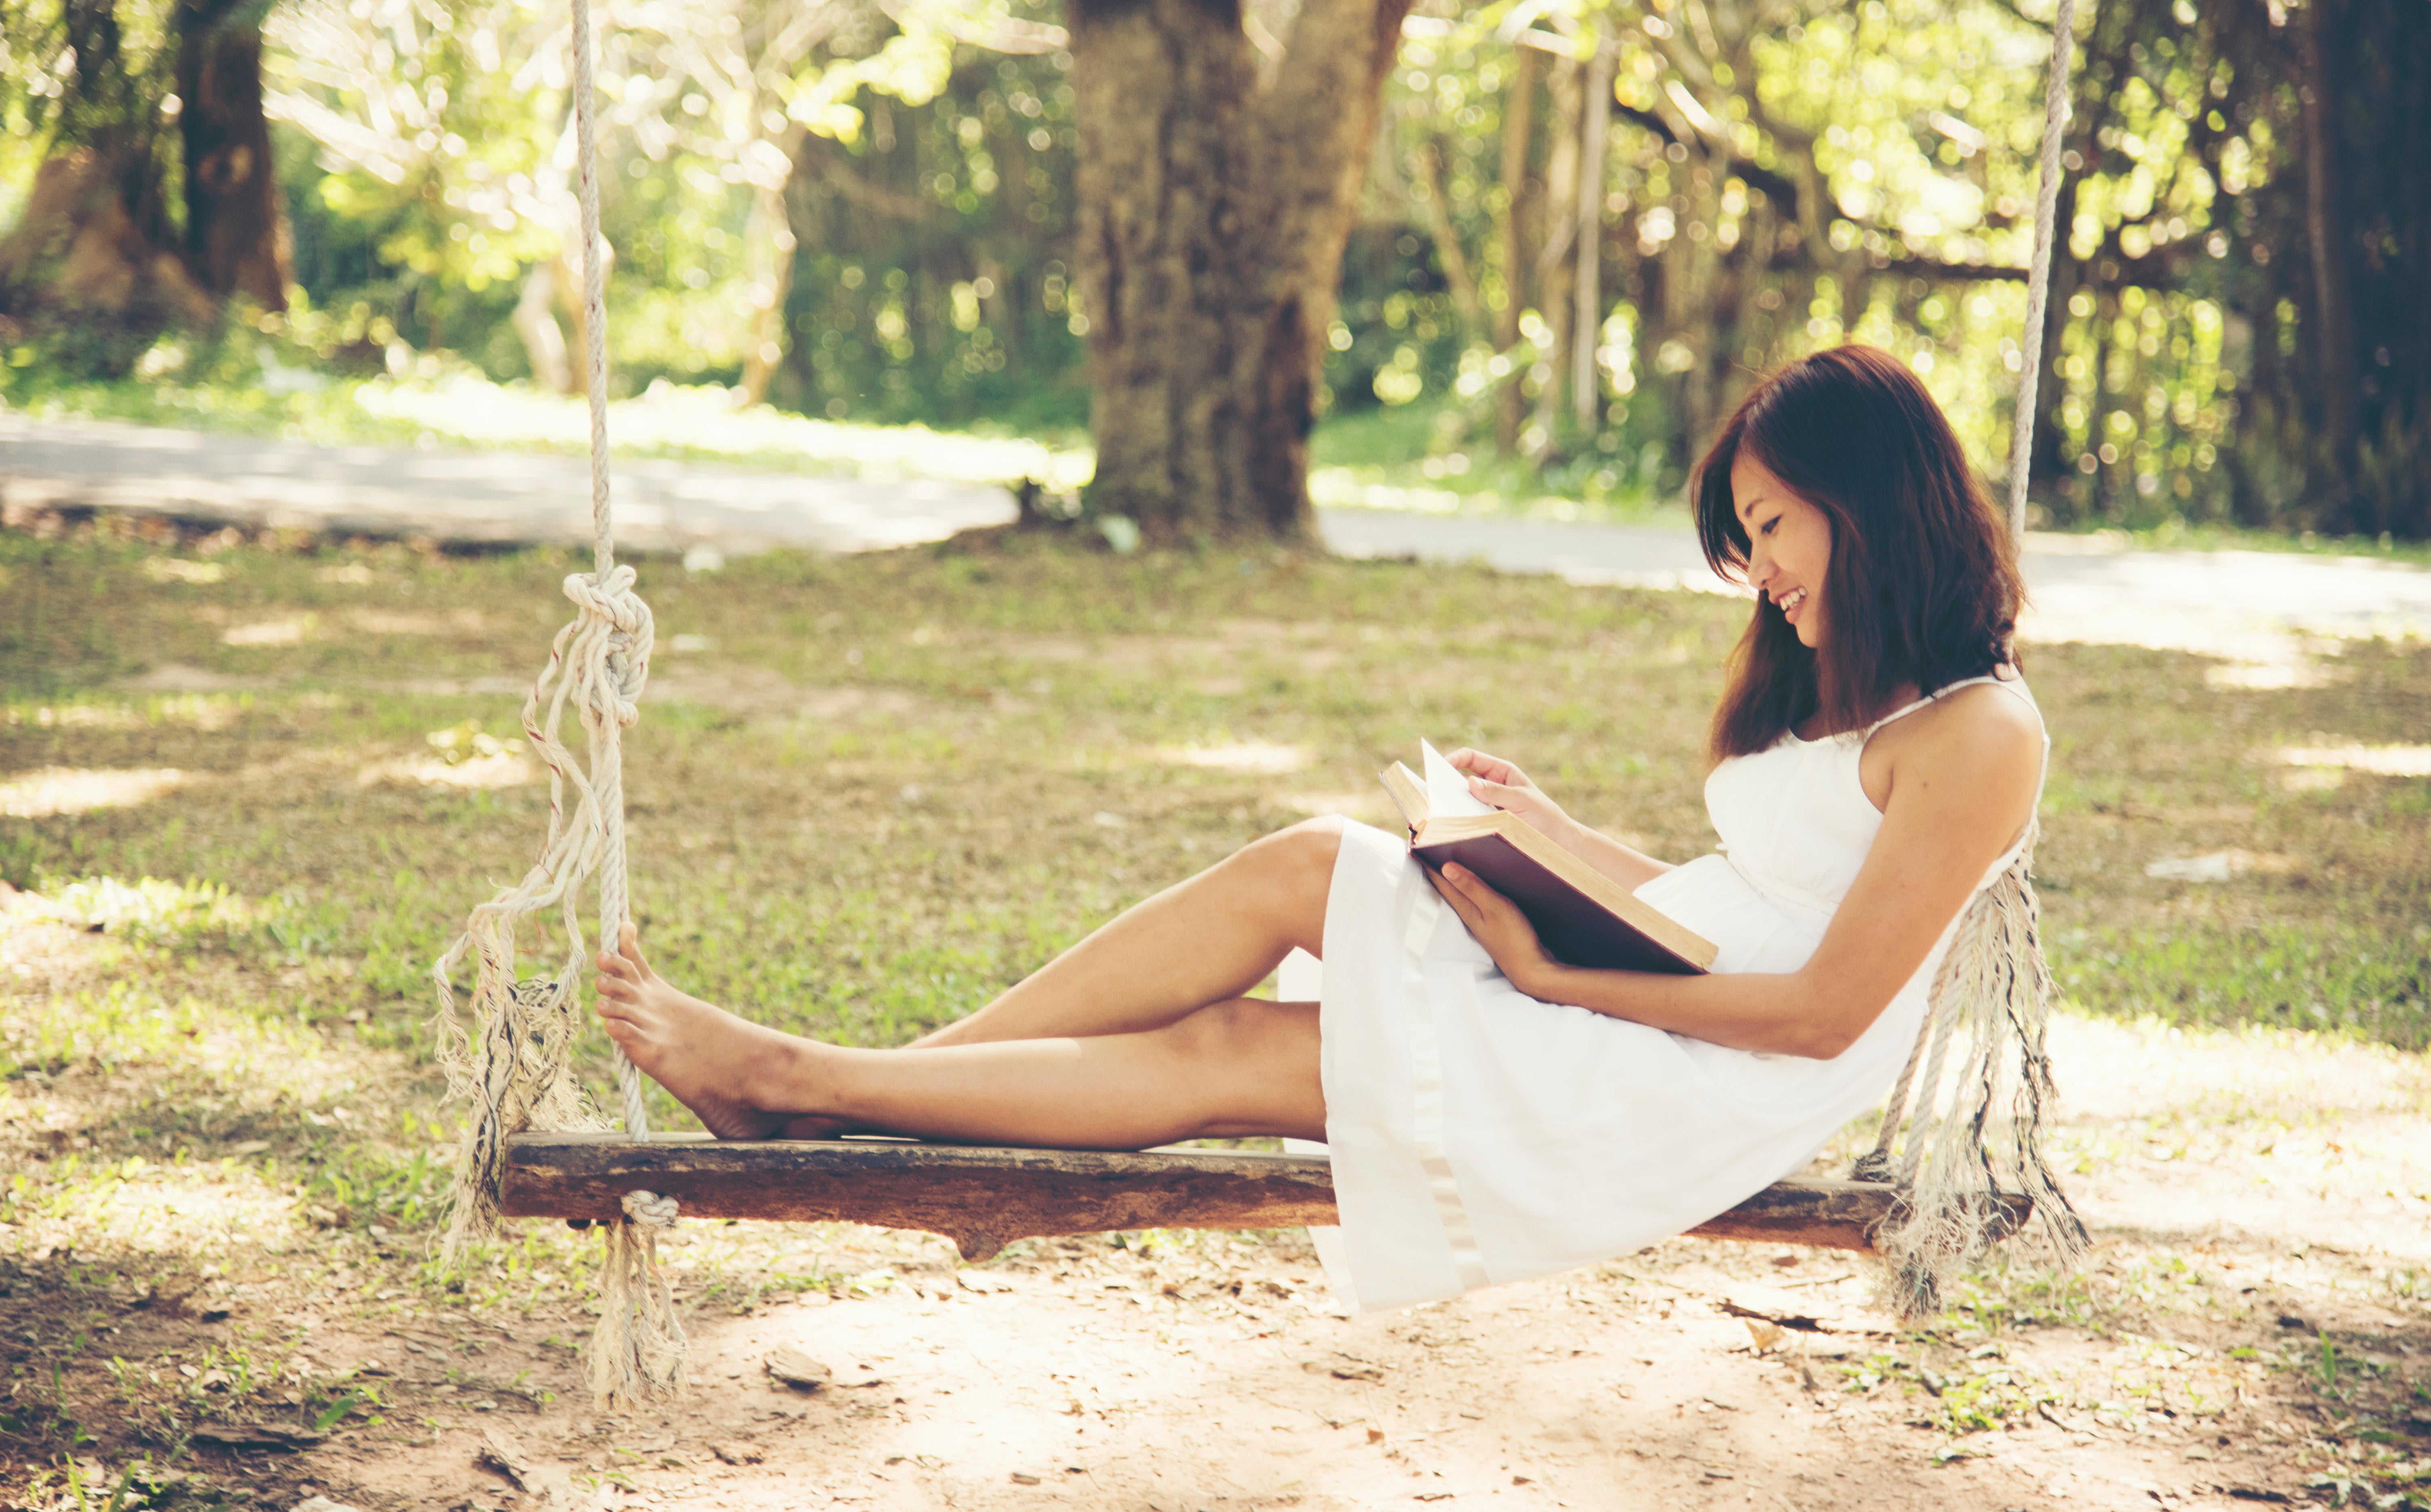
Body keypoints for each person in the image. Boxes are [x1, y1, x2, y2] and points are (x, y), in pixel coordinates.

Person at [594, 342, 2047, 1314]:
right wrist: (1548, 837)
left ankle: (810, 1087)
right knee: (1303, 873)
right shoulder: (1850, 694)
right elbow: (1737, 899)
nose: (1763, 573)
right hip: (1670, 1005)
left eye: (1773, 527)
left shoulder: (1980, 734)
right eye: (1748, 538)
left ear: (1867, 502)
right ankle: (846, 1098)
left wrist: (1549, 975)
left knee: (1245, 1034)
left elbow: (1818, 1009)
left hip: (1696, 1081)